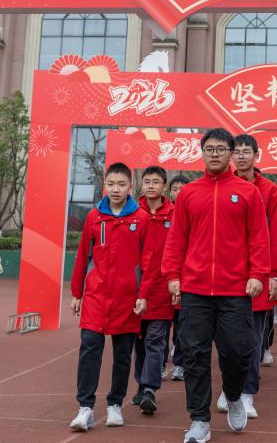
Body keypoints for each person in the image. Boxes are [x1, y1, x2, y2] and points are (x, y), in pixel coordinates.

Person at [161, 128, 270, 443]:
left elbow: (258, 237)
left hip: (235, 290)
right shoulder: (189, 193)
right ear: (202, 152)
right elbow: (176, 239)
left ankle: (234, 396)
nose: (214, 154)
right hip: (195, 291)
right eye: (209, 149)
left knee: (238, 351)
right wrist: (172, 276)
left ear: (231, 153)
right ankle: (199, 420)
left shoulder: (247, 192)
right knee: (194, 355)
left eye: (221, 149)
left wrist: (258, 274)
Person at [68, 163, 150, 431]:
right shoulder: (94, 217)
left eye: (121, 184)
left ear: (130, 186)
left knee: (123, 354)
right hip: (96, 296)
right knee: (89, 349)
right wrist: (77, 293)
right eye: (111, 184)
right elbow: (83, 256)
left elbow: (148, 262)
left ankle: (115, 404)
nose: (116, 189)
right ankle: (85, 408)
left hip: (127, 299)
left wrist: (143, 295)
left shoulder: (141, 219)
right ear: (105, 185)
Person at [213, 134, 277, 420]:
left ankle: (246, 393)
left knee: (252, 339)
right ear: (231, 155)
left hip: (257, 274)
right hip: (226, 275)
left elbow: (275, 235)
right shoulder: (220, 185)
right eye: (238, 152)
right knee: (227, 339)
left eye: (247, 152)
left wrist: (274, 274)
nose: (241, 156)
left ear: (257, 155)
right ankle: (229, 388)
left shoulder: (269, 190)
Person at [131, 166, 175, 416]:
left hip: (161, 289)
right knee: (139, 341)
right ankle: (141, 384)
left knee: (156, 340)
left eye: (155, 182)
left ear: (164, 186)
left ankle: (149, 389)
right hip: (136, 288)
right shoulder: (134, 214)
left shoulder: (175, 214)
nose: (150, 186)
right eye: (146, 181)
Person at [167, 174, 190, 383]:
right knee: (162, 325)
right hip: (164, 278)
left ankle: (180, 364)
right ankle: (159, 361)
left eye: (183, 188)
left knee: (182, 325)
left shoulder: (192, 212)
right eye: (175, 189)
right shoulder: (163, 213)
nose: (179, 192)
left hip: (185, 278)